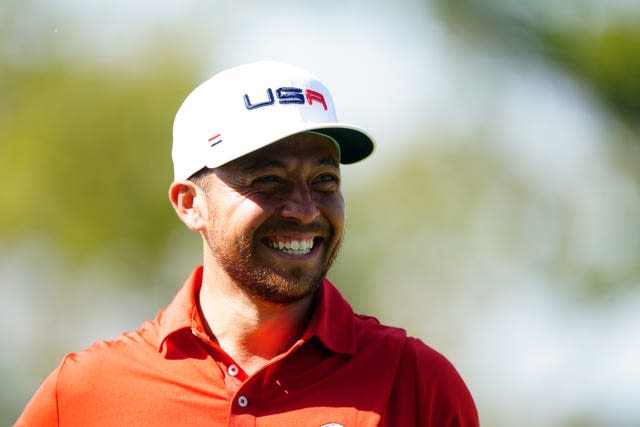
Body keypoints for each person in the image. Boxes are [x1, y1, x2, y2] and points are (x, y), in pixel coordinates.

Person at [16, 61, 479, 426]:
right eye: (269, 179)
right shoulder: (86, 391)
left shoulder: (416, 384)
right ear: (189, 204)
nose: (304, 208)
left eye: (323, 179)